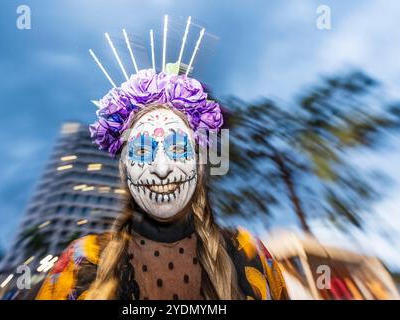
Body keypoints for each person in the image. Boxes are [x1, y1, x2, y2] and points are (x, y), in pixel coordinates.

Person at [36, 17, 288, 301]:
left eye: (178, 149)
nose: (162, 168)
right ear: (125, 171)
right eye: (142, 152)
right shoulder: (82, 260)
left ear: (199, 163)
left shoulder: (248, 253)